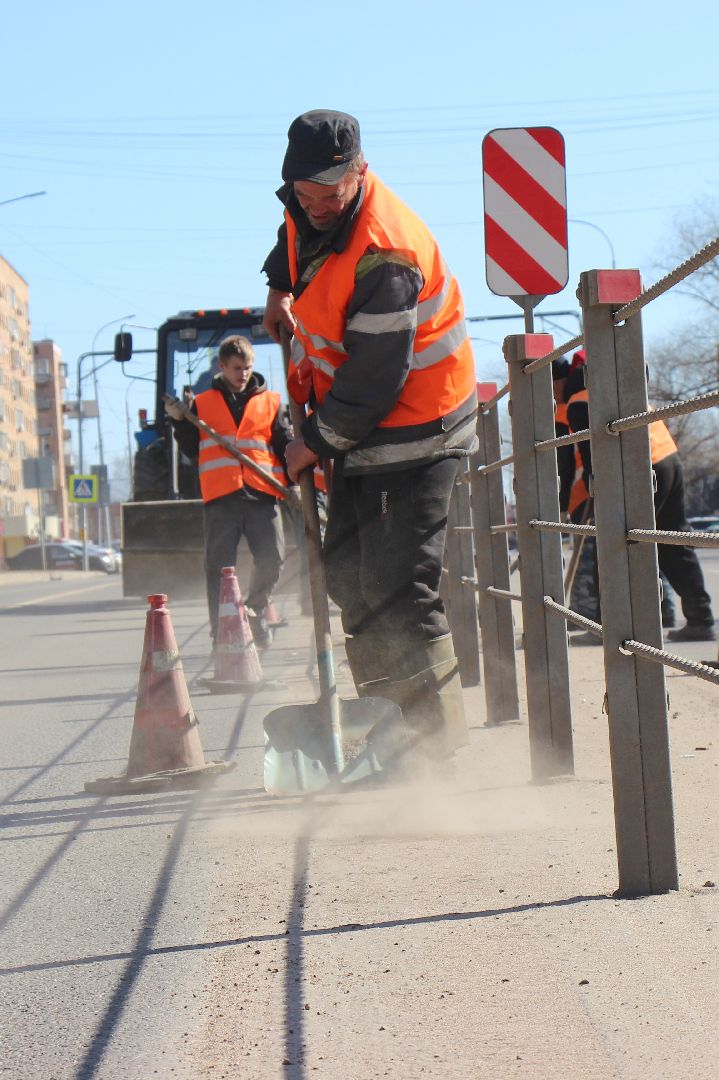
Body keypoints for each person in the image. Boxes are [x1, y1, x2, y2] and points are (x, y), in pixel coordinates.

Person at [261, 109, 479, 767]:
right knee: (351, 580)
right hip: (359, 434)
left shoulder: (387, 253)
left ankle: (432, 754)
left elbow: (376, 379)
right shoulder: (309, 209)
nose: (319, 206)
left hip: (420, 426)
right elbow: (292, 237)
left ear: (360, 173)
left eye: (333, 192)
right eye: (307, 194)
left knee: (400, 587)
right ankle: (384, 727)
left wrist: (311, 445)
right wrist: (277, 289)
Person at [555, 350, 714, 645]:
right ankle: (701, 618)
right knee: (672, 540)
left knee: (615, 544)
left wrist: (587, 498)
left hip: (638, 469)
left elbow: (594, 465)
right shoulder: (609, 384)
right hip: (667, 457)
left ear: (558, 382)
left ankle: (610, 625)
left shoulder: (576, 405)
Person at [165, 334, 292, 650]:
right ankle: (221, 630)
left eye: (247, 367)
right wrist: (180, 422)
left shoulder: (271, 402)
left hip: (262, 494)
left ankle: (255, 610)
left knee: (272, 558)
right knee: (219, 568)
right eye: (237, 368)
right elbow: (193, 448)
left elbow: (284, 446)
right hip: (222, 498)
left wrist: (294, 482)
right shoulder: (202, 405)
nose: (243, 373)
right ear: (222, 367)